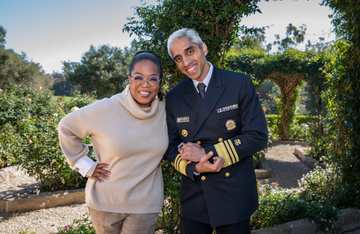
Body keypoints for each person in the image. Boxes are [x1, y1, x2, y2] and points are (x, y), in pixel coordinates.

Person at [163, 28, 268, 234]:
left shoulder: (238, 83)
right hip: (194, 195)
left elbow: (257, 136)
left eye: (190, 52)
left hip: (233, 194)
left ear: (203, 48)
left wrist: (207, 154)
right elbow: (170, 147)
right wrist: (195, 168)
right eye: (178, 58)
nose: (186, 62)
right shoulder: (174, 96)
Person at [58, 51, 168, 234]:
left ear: (159, 83)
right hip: (105, 203)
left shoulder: (166, 112)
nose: (145, 84)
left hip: (145, 205)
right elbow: (66, 127)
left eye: (153, 79)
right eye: (138, 77)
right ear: (130, 80)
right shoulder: (107, 107)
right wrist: (84, 165)